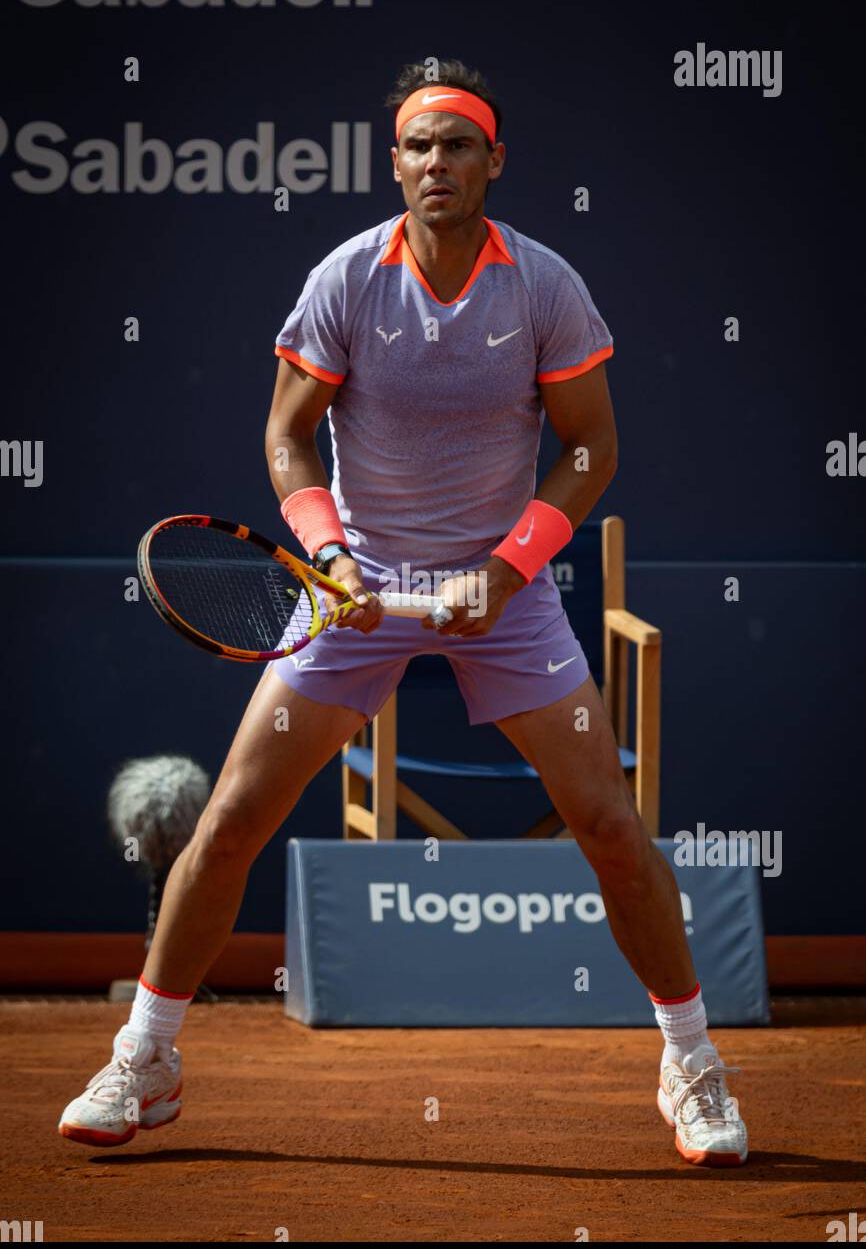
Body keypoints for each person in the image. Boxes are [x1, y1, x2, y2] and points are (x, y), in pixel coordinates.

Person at [59, 58, 747, 1167]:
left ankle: (691, 1062)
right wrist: (327, 555)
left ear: (493, 162)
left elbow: (590, 448)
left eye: (457, 144)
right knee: (232, 819)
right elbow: (287, 439)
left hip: (504, 597)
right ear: (396, 164)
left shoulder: (542, 286)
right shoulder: (343, 279)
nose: (437, 162)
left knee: (611, 831)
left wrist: (512, 567)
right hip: (353, 594)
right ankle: (148, 1053)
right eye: (417, 146)